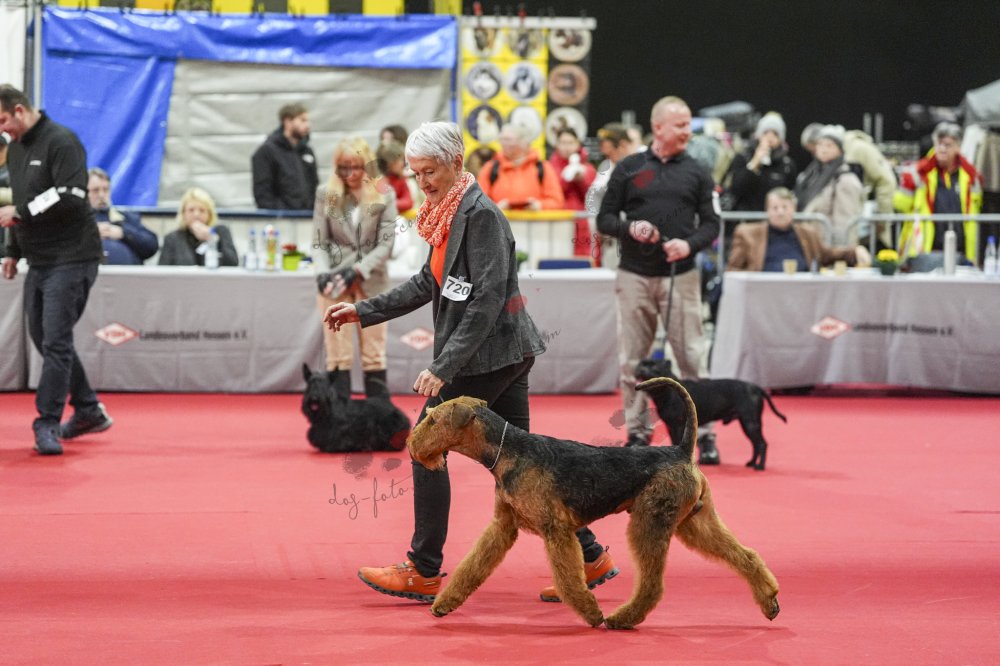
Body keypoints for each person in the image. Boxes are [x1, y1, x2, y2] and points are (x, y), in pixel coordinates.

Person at [323, 121, 615, 603]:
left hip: (490, 356)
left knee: (424, 446)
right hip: (501, 354)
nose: (422, 183)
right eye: (416, 173)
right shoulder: (446, 211)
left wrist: (443, 366)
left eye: (430, 172)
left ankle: (423, 569)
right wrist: (363, 311)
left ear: (456, 163)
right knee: (522, 464)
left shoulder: (481, 216)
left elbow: (486, 302)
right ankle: (590, 555)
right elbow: (428, 282)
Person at [596, 95, 721, 462]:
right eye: (680, 125)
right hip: (634, 276)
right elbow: (604, 220)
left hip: (681, 276)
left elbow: (712, 224)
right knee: (632, 361)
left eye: (688, 125)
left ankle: (704, 434)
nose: (687, 131)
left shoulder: (698, 171)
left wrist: (689, 244)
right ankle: (637, 432)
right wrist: (630, 228)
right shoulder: (629, 167)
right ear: (658, 127)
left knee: (692, 358)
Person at [0, 84, 113, 455]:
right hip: (40, 259)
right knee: (45, 338)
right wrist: (12, 251)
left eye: (3, 120)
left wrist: (21, 212)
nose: (2, 130)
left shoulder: (63, 142)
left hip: (74, 256)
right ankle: (88, 409)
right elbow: (21, 202)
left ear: (19, 110)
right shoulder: (16, 149)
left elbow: (70, 194)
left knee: (55, 341)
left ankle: (46, 422)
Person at [314, 136, 398, 398]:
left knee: (374, 354)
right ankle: (339, 416)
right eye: (343, 167)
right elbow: (319, 242)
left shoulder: (385, 193)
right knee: (337, 356)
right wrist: (322, 273)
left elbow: (386, 245)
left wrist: (359, 270)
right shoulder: (325, 193)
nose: (350, 174)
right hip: (335, 283)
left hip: (372, 282)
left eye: (356, 167)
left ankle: (379, 417)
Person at [895, 121, 983, 263]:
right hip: (925, 250)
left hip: (962, 251)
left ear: (958, 147)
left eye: (947, 145)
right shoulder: (919, 172)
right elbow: (900, 205)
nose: (942, 149)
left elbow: (976, 210)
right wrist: (907, 184)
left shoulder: (970, 176)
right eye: (939, 144)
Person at [727, 187, 871, 272]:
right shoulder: (748, 234)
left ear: (793, 210)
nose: (780, 212)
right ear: (767, 210)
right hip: (763, 292)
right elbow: (733, 269)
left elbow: (827, 255)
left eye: (785, 207)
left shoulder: (807, 233)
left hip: (803, 290)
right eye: (775, 208)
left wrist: (854, 252)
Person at [794, 124, 864, 245]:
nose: (824, 149)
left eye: (829, 145)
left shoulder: (845, 180)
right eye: (820, 144)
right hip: (809, 244)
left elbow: (845, 225)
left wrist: (841, 253)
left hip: (828, 246)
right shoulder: (810, 175)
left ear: (840, 150)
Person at [477, 124, 564, 211]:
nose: (503, 143)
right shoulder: (490, 168)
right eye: (502, 139)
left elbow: (557, 201)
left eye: (508, 140)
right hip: (498, 220)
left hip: (533, 219)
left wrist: (539, 205)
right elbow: (478, 202)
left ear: (524, 141)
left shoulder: (543, 167)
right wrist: (496, 208)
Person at [724, 112, 798, 214]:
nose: (770, 138)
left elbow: (789, 194)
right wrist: (754, 163)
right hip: (745, 218)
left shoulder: (787, 165)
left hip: (774, 218)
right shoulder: (743, 158)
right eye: (765, 132)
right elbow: (735, 189)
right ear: (758, 135)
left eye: (775, 134)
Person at [251, 103, 319, 211]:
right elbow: (263, 194)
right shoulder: (267, 152)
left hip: (307, 217)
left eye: (308, 121)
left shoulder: (307, 151)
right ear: (287, 122)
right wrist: (282, 213)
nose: (308, 125)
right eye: (302, 120)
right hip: (281, 217)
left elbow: (314, 186)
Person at [86, 167, 159, 265]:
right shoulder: (78, 220)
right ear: (85, 192)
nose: (102, 195)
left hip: (129, 274)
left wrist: (123, 233)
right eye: (95, 190)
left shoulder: (125, 217)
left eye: (106, 189)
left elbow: (152, 244)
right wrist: (89, 233)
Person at [158, 187, 239, 266]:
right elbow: (162, 270)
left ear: (209, 214)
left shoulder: (221, 232)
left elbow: (233, 263)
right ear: (183, 214)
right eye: (191, 210)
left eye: (202, 210)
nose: (196, 214)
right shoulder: (172, 238)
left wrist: (212, 240)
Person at [549, 128, 597, 258]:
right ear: (557, 145)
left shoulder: (588, 169)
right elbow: (553, 192)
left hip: (581, 225)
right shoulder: (548, 168)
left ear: (577, 144)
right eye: (563, 143)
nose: (567, 147)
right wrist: (566, 179)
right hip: (557, 222)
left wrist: (582, 181)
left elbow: (593, 197)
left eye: (570, 143)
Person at [375, 140, 414, 214]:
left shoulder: (401, 180)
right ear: (389, 163)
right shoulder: (379, 182)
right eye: (400, 160)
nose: (403, 164)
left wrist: (389, 203)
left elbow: (409, 202)